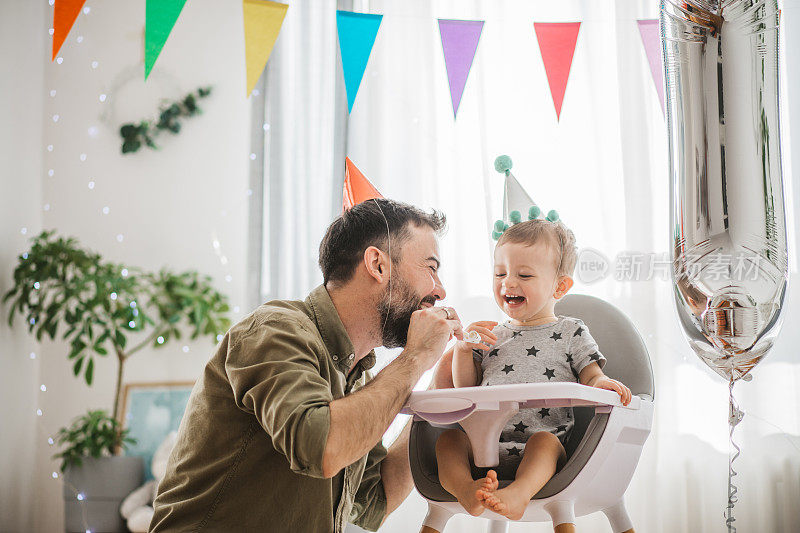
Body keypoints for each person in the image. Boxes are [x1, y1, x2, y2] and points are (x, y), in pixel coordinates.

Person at [150, 198, 464, 533]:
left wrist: (439, 380)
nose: (440, 291)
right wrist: (415, 357)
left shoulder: (359, 376)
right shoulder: (274, 331)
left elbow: (374, 501)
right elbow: (323, 448)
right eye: (431, 268)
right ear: (378, 265)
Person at [433, 217, 632, 531]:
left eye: (524, 275)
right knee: (448, 442)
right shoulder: (492, 334)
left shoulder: (570, 330)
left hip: (542, 451)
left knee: (545, 443)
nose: (508, 283)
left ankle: (519, 493)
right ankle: (465, 489)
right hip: (484, 447)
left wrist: (601, 382)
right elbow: (467, 388)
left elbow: (591, 376)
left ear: (560, 286)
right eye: (500, 273)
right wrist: (462, 350)